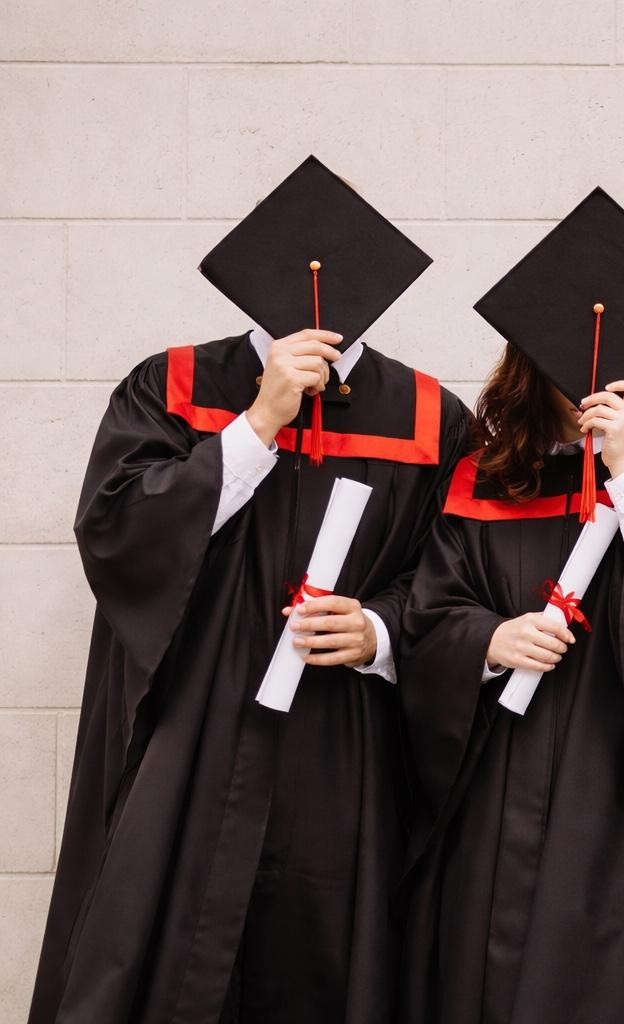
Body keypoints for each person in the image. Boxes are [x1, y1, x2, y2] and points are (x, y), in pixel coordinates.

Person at [29, 156, 468, 1024]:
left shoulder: (431, 416)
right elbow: (115, 528)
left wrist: (379, 630)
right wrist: (259, 422)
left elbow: (452, 574)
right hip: (195, 713)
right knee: (158, 939)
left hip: (341, 737)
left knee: (327, 946)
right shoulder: (176, 385)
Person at [397, 188, 624, 1024]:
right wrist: (491, 639)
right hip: (495, 779)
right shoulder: (480, 477)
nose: (587, 382)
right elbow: (427, 612)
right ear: (529, 361)